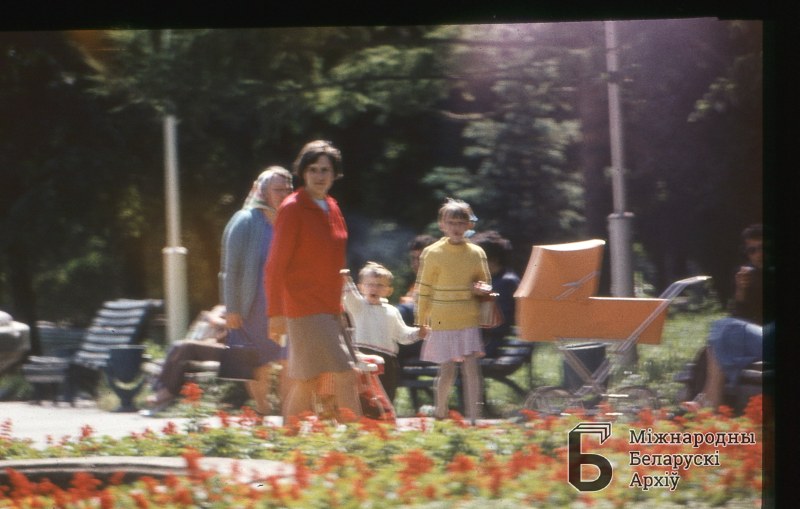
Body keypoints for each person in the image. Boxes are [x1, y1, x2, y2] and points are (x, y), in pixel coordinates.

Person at [265, 140, 362, 422]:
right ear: (303, 172)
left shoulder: (332, 206)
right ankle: (361, 439)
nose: (319, 176)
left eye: (325, 170)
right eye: (313, 170)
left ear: (335, 174)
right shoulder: (293, 208)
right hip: (304, 306)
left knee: (308, 379)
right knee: (345, 372)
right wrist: (275, 313)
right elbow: (275, 265)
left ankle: (289, 437)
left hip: (330, 307)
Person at [219, 166, 294, 415]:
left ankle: (287, 416)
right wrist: (232, 308)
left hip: (287, 304)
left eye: (288, 189)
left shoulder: (291, 221)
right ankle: (262, 410)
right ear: (263, 191)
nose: (284, 194)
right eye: (278, 189)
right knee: (258, 363)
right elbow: (230, 269)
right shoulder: (245, 221)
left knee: (289, 361)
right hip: (254, 306)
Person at [415, 198, 492, 422]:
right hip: (442, 319)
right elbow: (424, 288)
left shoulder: (476, 253)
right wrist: (421, 321)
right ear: (442, 225)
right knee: (447, 370)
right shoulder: (432, 252)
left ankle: (474, 418)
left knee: (471, 368)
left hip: (468, 317)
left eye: (461, 223)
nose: (456, 227)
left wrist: (481, 288)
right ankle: (440, 413)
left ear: (469, 225)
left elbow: (486, 284)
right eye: (451, 222)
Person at [690, 224, 772, 410]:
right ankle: (708, 400)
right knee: (716, 341)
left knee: (723, 328)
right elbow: (739, 315)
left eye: (763, 248)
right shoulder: (748, 275)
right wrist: (741, 291)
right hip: (755, 338)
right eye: (752, 250)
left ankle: (708, 401)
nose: (759, 254)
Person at [341, 262, 426, 402]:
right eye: (370, 284)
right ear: (361, 287)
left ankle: (386, 414)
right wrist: (346, 279)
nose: (374, 288)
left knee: (386, 397)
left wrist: (418, 333)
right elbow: (350, 297)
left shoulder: (392, 311)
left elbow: (402, 335)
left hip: (388, 360)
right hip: (363, 356)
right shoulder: (359, 306)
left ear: (388, 290)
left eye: (380, 285)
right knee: (363, 398)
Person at [144, 305, 229, 413]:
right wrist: (218, 322)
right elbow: (210, 316)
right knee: (177, 346)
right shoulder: (226, 307)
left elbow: (224, 323)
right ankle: (162, 389)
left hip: (230, 350)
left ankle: (169, 391)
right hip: (214, 345)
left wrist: (217, 321)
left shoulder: (242, 309)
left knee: (186, 346)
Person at [470, 230, 520, 358]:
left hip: (493, 346)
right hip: (484, 342)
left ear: (493, 259)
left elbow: (499, 323)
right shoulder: (493, 280)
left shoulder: (505, 282)